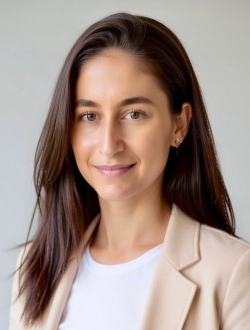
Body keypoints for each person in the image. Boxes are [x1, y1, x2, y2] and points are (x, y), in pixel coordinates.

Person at [9, 12, 250, 330]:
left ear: (179, 124)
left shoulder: (233, 271)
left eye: (134, 113)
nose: (109, 145)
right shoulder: (35, 266)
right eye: (89, 116)